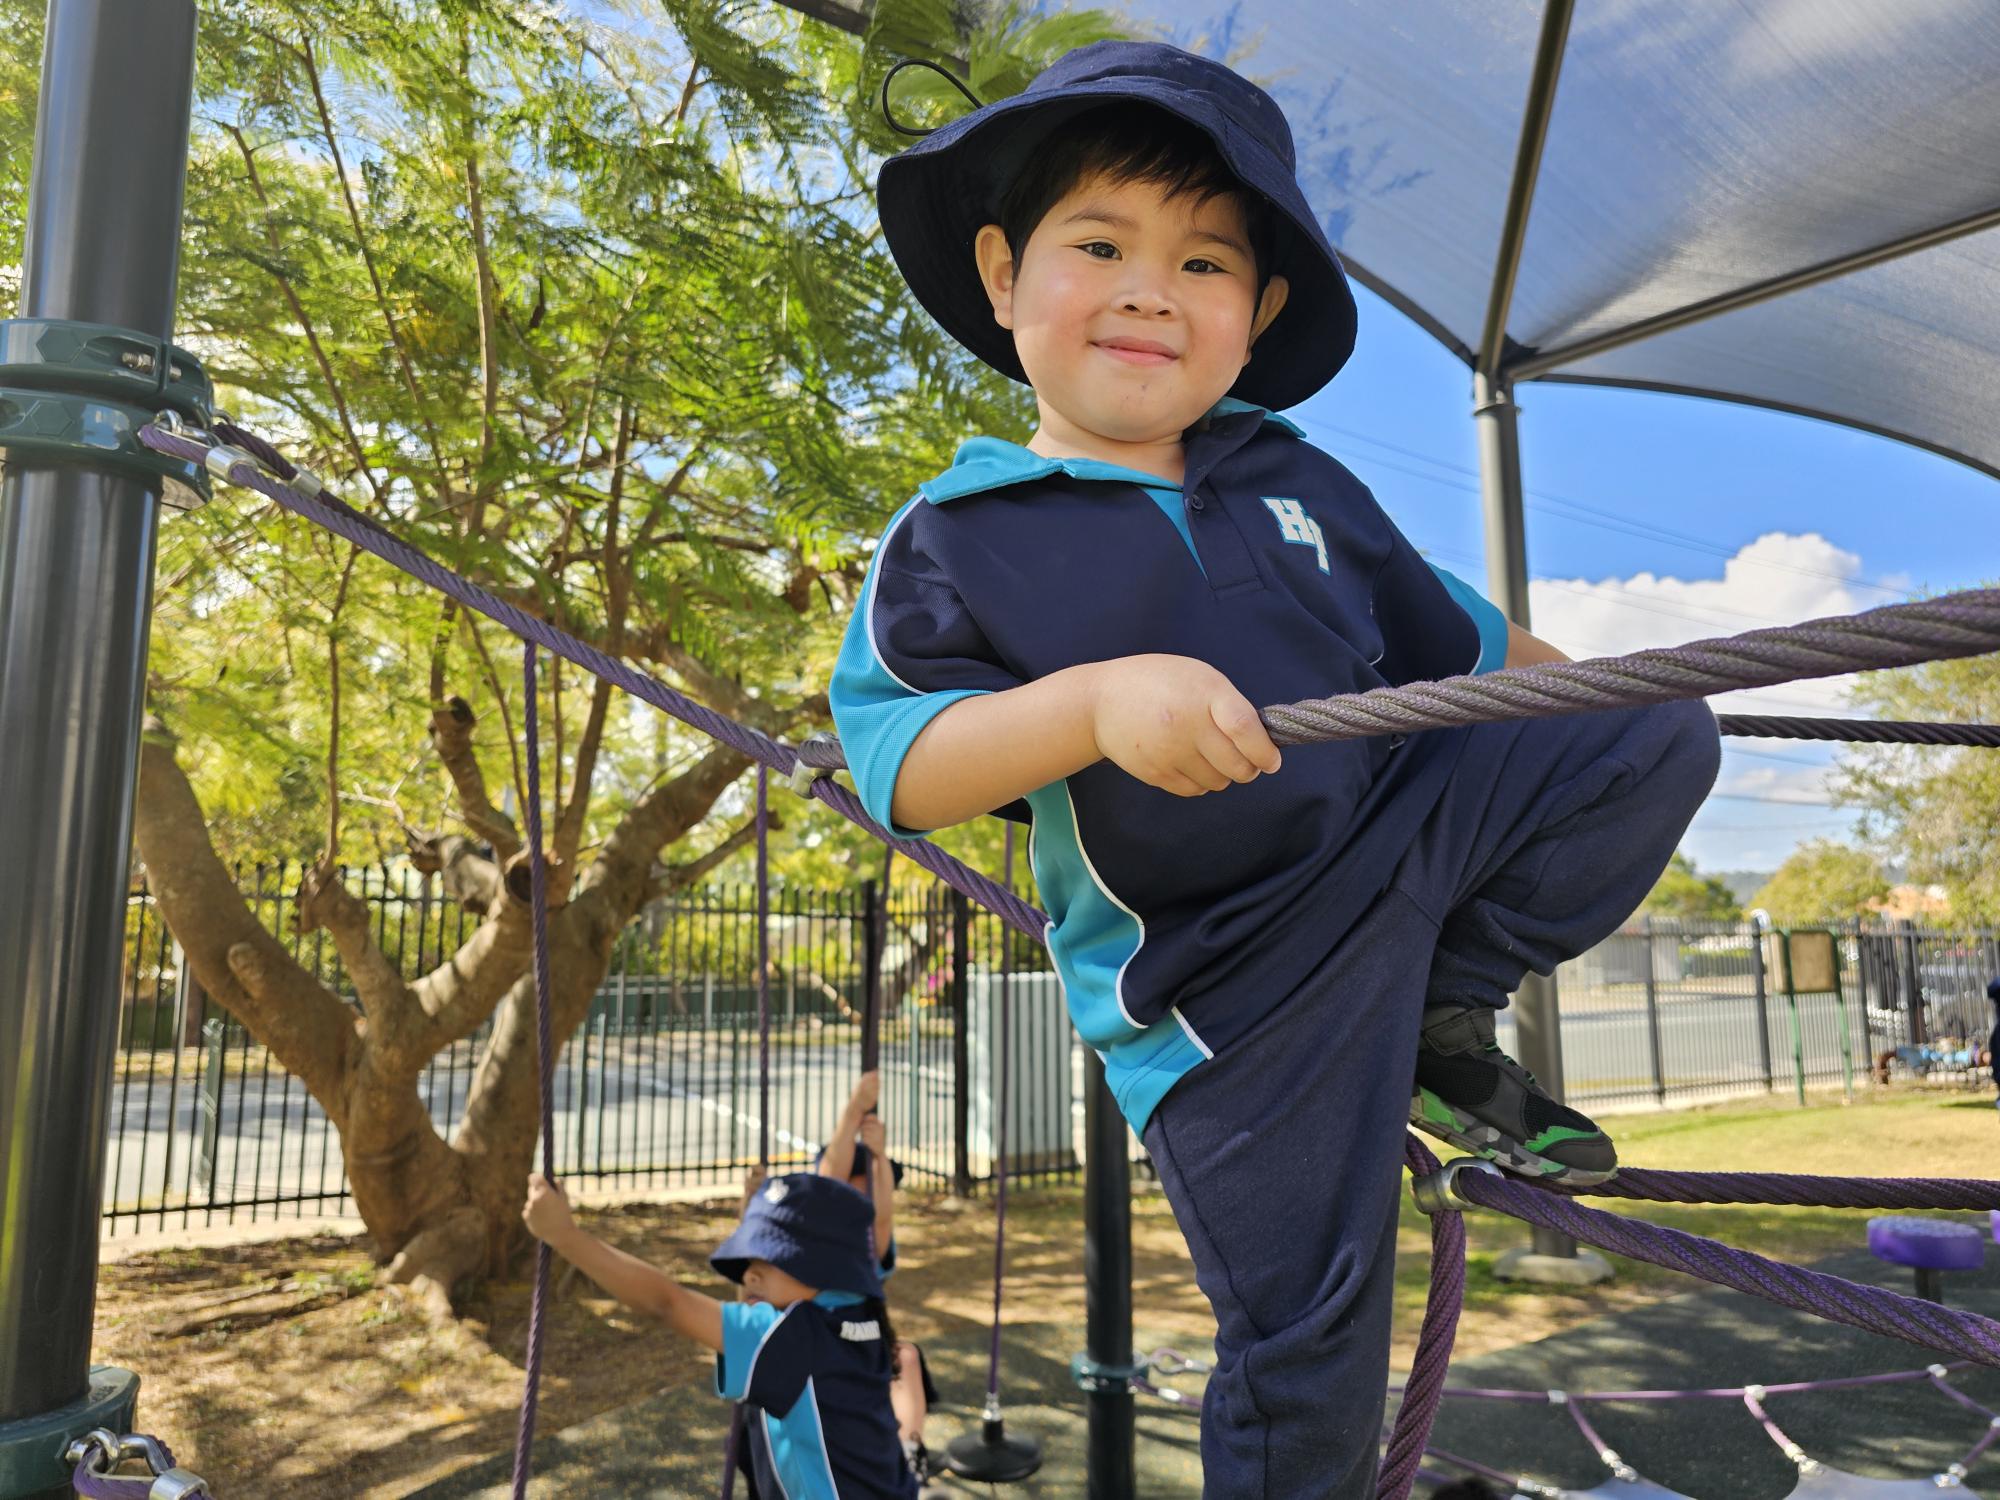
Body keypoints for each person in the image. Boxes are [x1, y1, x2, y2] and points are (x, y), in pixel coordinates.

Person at [832, 40, 1720, 1496]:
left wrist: (1683, 677)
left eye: (1203, 263)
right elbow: (903, 764)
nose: (1145, 289)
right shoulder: (961, 531)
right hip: (1223, 984)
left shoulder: (1300, 480)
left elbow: (1482, 651)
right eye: (1099, 245)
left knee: (1656, 731)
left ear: (1259, 314)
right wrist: (1097, 703)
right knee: (1309, 1353)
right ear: (1002, 276)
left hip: (1394, 851)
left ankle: (1446, 1015)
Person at [522, 1169, 918, 1498]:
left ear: (824, 1267)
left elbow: (667, 1303)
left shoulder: (794, 1338)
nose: (748, 1273)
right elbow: (754, 1310)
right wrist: (753, 1214)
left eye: (771, 1258)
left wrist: (566, 1237)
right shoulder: (857, 1316)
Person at [814, 1070, 939, 1480]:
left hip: (862, 1338)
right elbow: (826, 1189)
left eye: (873, 1182)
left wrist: (880, 1156)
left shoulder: (872, 1246)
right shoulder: (809, 1235)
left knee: (905, 1359)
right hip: (817, 1341)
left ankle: (910, 1450)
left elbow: (881, 1217)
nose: (864, 1192)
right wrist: (853, 1111)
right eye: (857, 1179)